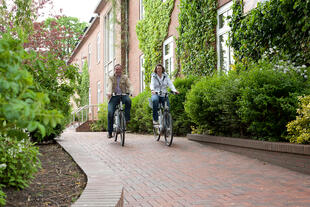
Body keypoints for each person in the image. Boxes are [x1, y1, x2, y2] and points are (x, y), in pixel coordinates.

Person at [106, 64, 132, 138]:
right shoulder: (111, 77)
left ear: (121, 70)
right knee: (110, 113)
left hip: (123, 95)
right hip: (113, 97)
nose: (118, 71)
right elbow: (109, 86)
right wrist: (109, 92)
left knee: (128, 101)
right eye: (116, 69)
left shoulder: (125, 77)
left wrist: (131, 91)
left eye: (119, 69)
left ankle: (126, 119)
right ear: (114, 70)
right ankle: (110, 132)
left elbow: (130, 85)